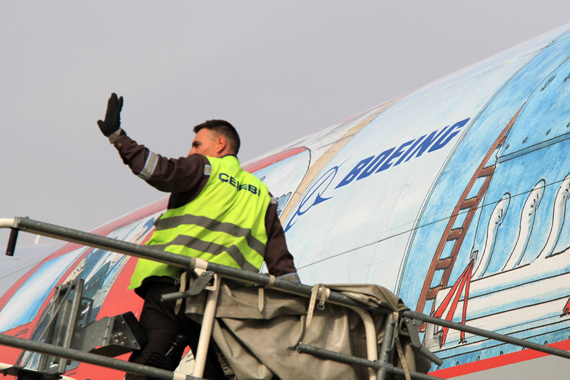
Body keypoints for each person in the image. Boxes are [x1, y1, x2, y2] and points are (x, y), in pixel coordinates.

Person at [97, 93, 300, 379]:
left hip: (172, 287)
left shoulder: (204, 168)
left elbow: (156, 170)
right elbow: (282, 265)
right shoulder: (263, 196)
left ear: (220, 145)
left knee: (151, 362)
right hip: (220, 302)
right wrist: (300, 311)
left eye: (196, 144)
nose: (191, 152)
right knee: (219, 371)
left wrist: (118, 137)